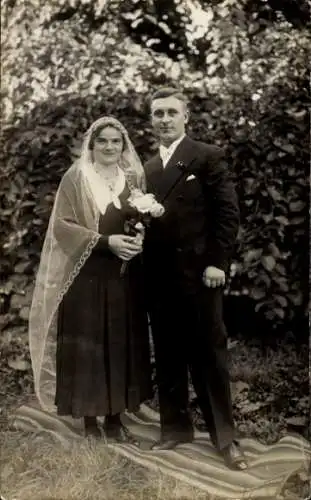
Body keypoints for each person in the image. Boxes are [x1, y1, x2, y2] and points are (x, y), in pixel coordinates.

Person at [29, 116, 152, 441]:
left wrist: (139, 236)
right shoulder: (77, 177)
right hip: (86, 278)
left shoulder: (132, 178)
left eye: (116, 141)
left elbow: (141, 218)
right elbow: (62, 226)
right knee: (89, 347)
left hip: (122, 277)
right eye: (103, 141)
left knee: (118, 343)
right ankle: (89, 421)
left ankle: (115, 418)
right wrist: (104, 242)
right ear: (92, 145)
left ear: (123, 145)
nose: (110, 147)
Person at [143, 87, 247, 470]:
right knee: (168, 355)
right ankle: (174, 429)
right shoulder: (148, 169)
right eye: (158, 114)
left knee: (209, 356)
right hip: (160, 278)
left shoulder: (207, 156)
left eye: (172, 112)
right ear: (151, 121)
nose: (165, 120)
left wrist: (217, 262)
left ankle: (225, 438)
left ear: (186, 117)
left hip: (201, 275)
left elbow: (227, 214)